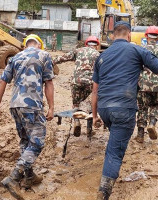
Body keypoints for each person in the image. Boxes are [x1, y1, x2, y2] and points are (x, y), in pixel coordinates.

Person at [92, 21, 158, 200]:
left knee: (114, 143)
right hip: (123, 108)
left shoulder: (101, 56)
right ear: (129, 35)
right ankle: (103, 193)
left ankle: (109, 171)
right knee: (115, 152)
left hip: (104, 109)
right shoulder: (136, 50)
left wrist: (94, 115)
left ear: (113, 36)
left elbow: (95, 90)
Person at [0, 34, 54, 200]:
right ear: (39, 45)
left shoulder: (15, 57)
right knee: (37, 141)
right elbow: (49, 83)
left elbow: (2, 82)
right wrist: (52, 107)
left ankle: (29, 176)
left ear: (25, 45)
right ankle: (13, 177)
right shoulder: (44, 55)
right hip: (32, 105)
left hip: (15, 106)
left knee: (26, 141)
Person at [53, 36, 100, 137]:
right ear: (96, 45)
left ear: (86, 44)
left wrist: (53, 62)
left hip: (76, 82)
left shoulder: (78, 50)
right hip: (90, 83)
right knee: (91, 106)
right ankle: (89, 129)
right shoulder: (98, 55)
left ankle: (77, 122)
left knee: (76, 104)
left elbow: (63, 58)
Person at [135, 26, 158, 143]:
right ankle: (152, 123)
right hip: (157, 85)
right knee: (155, 105)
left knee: (142, 108)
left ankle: (140, 134)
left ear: (146, 36)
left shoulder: (140, 49)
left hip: (143, 84)